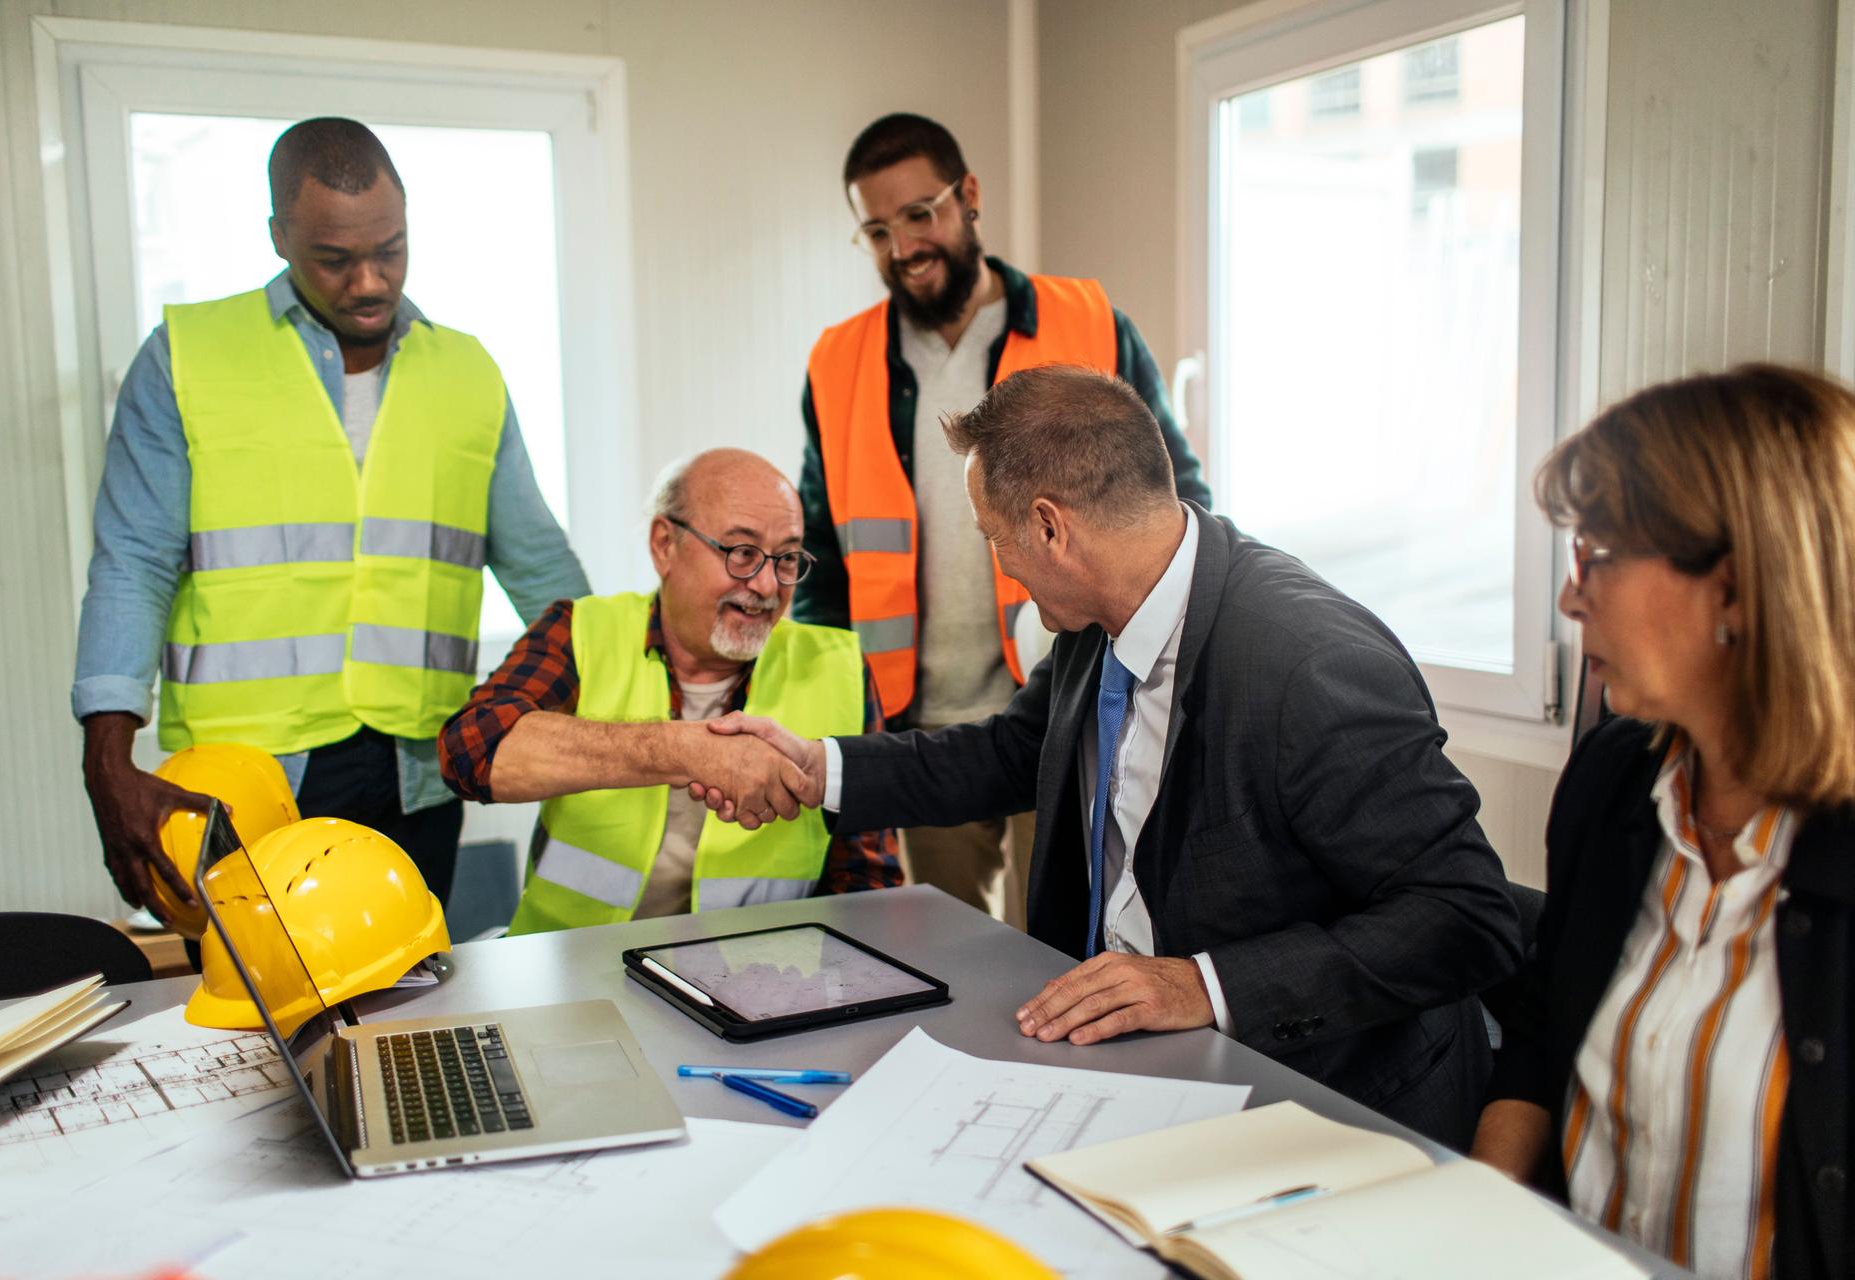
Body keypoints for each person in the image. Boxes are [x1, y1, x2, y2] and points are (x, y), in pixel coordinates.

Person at [706, 366, 1521, 1147]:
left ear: (1051, 528)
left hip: (1321, 1098)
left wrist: (1203, 983)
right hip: (1134, 1067)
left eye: (998, 540)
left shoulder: (1308, 664)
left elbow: (1464, 914)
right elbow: (1012, 752)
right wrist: (819, 769)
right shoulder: (1103, 619)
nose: (1006, 569)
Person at [74, 117, 584, 916]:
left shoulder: (468, 372)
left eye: (391, 249)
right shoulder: (186, 355)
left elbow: (542, 570)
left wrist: (640, 720)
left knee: (406, 1014)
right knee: (256, 1019)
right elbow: (131, 562)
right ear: (279, 235)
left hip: (418, 776)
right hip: (242, 782)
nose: (372, 282)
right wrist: (106, 762)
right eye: (336, 260)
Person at [1473, 365, 1855, 1280]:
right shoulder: (1614, 782)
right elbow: (1538, 1031)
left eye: (1596, 556)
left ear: (1735, 587)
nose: (1572, 599)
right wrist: (1470, 1220)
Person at [794, 113, 1213, 925]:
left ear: (969, 196)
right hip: (921, 725)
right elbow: (820, 559)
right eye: (877, 230)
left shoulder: (1089, 323)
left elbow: (1177, 498)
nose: (904, 245)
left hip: (1071, 708)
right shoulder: (837, 362)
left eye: (920, 214)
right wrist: (840, 716)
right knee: (944, 957)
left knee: (1064, 947)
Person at [439, 449, 900, 931]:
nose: (766, 585)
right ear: (664, 544)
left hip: (759, 976)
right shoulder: (581, 631)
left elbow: (868, 878)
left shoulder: (838, 667)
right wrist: (686, 750)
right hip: (576, 969)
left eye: (787, 559)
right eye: (742, 553)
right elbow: (471, 751)